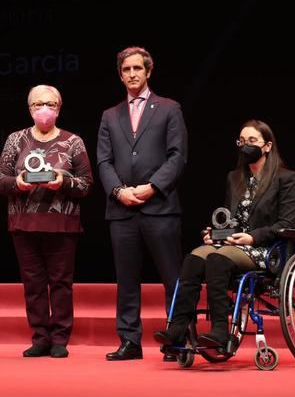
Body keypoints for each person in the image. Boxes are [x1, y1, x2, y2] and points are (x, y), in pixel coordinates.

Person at [154, 119, 295, 352]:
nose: (245, 146)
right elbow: (230, 219)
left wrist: (252, 237)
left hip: (265, 249)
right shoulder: (235, 178)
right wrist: (216, 234)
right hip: (234, 245)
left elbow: (286, 224)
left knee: (217, 260)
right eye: (241, 141)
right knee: (194, 258)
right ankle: (178, 328)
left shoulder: (285, 178)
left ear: (267, 146)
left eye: (252, 141)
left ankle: (220, 330)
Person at [97, 46, 187, 361]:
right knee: (127, 280)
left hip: (160, 206)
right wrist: (119, 191)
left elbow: (177, 156)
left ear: (149, 71)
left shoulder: (169, 108)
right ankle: (130, 342)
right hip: (122, 209)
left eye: (138, 68)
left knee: (171, 278)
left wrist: (152, 187)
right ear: (120, 75)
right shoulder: (110, 115)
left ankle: (176, 340)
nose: (132, 74)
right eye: (126, 70)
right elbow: (104, 162)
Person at [0, 85, 93, 359]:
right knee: (33, 283)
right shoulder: (16, 139)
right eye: (38, 105)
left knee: (61, 282)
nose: (44, 109)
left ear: (59, 108)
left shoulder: (73, 141)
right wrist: (18, 183)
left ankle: (60, 338)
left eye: (49, 104)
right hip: (24, 223)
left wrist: (64, 183)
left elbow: (86, 184)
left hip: (62, 224)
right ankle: (40, 337)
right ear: (29, 109)